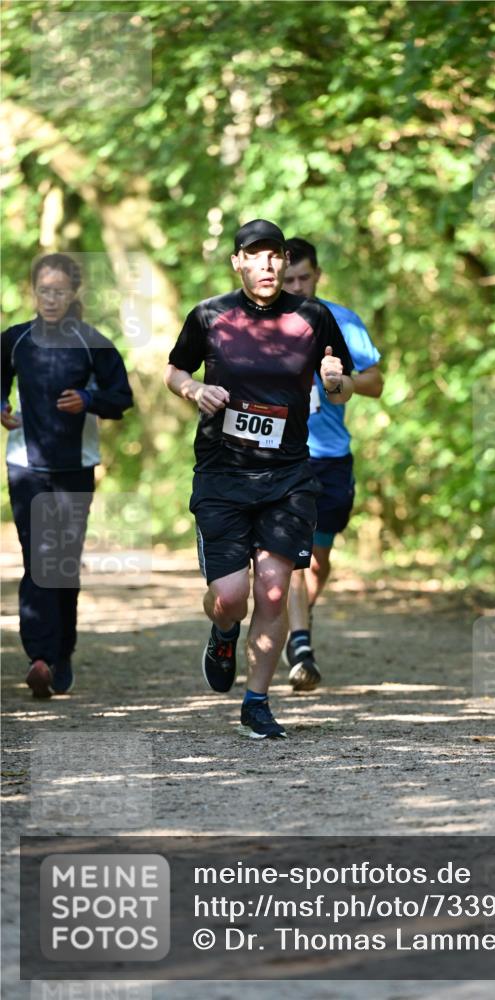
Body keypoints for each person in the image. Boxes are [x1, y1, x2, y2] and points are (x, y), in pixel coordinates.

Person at [164, 219, 354, 739]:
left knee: (272, 594)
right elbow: (174, 370)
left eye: (276, 256)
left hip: (288, 475)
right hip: (223, 473)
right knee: (231, 597)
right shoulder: (209, 315)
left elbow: (341, 382)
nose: (268, 265)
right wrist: (193, 391)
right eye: (256, 256)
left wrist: (337, 382)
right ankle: (223, 632)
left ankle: (257, 701)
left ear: (284, 261)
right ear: (238, 263)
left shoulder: (313, 317)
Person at [1, 253, 133, 697]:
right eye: (43, 291)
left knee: (63, 562)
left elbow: (121, 397)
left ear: (74, 293)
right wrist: (1, 406)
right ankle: (40, 657)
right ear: (33, 292)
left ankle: (61, 654)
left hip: (76, 466)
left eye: (59, 291)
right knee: (39, 557)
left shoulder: (93, 342)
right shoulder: (15, 340)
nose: (51, 298)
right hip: (25, 465)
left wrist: (88, 398)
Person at [281, 237, 383, 691]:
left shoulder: (342, 321)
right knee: (293, 558)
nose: (298, 286)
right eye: (289, 280)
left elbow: (376, 383)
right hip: (284, 456)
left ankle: (297, 618)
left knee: (318, 561)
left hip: (331, 458)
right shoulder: (267, 322)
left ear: (318, 274)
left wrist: (342, 381)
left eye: (305, 277)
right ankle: (300, 644)